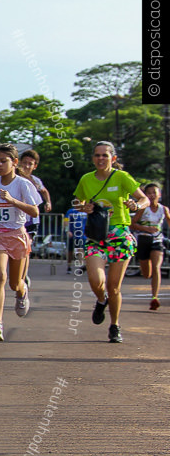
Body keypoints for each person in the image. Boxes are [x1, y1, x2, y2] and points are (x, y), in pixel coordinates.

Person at [72, 141, 149, 343]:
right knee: (96, 281)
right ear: (93, 158)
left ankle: (114, 326)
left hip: (120, 235)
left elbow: (144, 200)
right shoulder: (86, 179)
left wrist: (136, 204)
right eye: (97, 155)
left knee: (114, 286)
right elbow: (76, 202)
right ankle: (100, 299)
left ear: (113, 158)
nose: (100, 159)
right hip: (96, 236)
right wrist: (84, 207)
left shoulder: (121, 177)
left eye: (105, 155)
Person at [0, 144, 42, 341]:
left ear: (14, 162)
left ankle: (22, 292)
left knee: (15, 283)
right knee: (0, 275)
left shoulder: (23, 184)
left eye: (3, 161)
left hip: (17, 235)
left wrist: (13, 201)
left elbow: (35, 211)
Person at [130, 183, 169, 310]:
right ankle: (147, 273)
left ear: (159, 195)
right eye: (149, 193)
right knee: (147, 273)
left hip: (157, 241)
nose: (152, 195)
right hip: (143, 240)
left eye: (154, 192)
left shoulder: (164, 209)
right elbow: (132, 224)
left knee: (157, 267)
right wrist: (146, 228)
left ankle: (154, 297)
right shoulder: (143, 209)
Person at [18, 149, 51, 288]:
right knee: (17, 249)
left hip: (31, 220)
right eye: (24, 163)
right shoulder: (15, 177)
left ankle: (23, 276)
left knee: (26, 247)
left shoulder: (36, 181)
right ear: (19, 163)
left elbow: (44, 191)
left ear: (34, 166)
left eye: (30, 164)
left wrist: (48, 202)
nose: (26, 166)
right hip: (16, 219)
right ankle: (18, 273)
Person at [64, 206, 86, 274]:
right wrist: (67, 231)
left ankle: (81, 266)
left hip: (83, 234)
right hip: (72, 233)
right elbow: (66, 221)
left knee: (81, 249)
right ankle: (69, 266)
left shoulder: (86, 211)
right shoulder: (71, 211)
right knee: (70, 251)